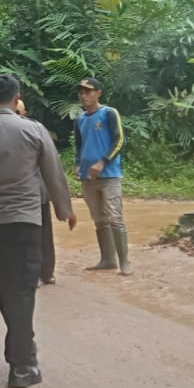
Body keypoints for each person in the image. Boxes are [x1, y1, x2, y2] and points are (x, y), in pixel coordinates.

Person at [0, 73, 77, 388]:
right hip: (24, 222)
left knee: (7, 287)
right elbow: (54, 172)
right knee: (21, 289)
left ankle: (21, 348)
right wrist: (65, 209)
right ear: (16, 97)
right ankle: (22, 365)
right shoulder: (33, 130)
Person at [74, 78, 130, 276]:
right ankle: (107, 259)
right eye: (81, 92)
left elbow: (119, 140)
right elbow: (79, 146)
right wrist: (78, 165)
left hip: (109, 175)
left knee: (115, 217)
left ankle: (125, 262)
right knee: (99, 219)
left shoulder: (109, 113)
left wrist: (102, 162)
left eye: (88, 91)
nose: (84, 95)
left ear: (98, 93)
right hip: (88, 178)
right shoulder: (80, 119)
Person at [15, 96, 58, 286]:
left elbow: (51, 164)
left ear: (24, 113)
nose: (15, 116)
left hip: (36, 192)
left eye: (18, 113)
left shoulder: (36, 130)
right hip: (16, 194)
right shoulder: (6, 132)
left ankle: (46, 272)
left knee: (42, 235)